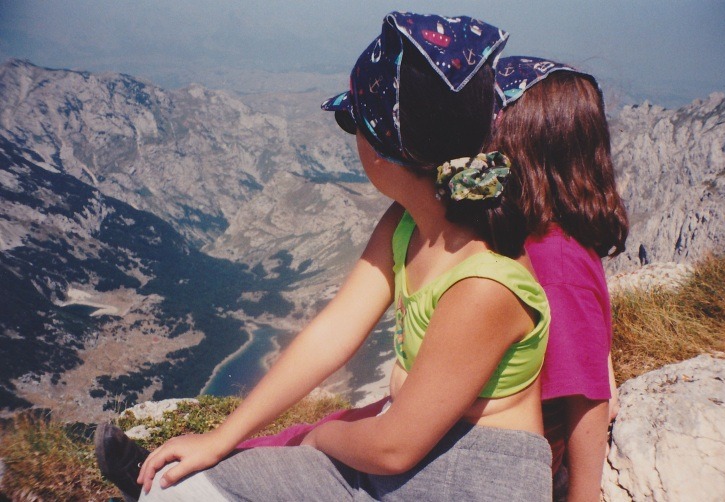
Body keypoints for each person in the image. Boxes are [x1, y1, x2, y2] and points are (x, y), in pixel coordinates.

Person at [97, 12, 553, 501]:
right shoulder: (405, 224)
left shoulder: (484, 286)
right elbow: (333, 333)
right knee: (179, 492)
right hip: (406, 453)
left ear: (383, 149)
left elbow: (394, 448)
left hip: (473, 477)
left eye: (350, 121)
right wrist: (220, 438)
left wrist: (319, 438)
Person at [490, 56, 628, 501]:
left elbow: (589, 398)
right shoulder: (543, 238)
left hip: (512, 471)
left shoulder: (554, 265)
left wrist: (583, 495)